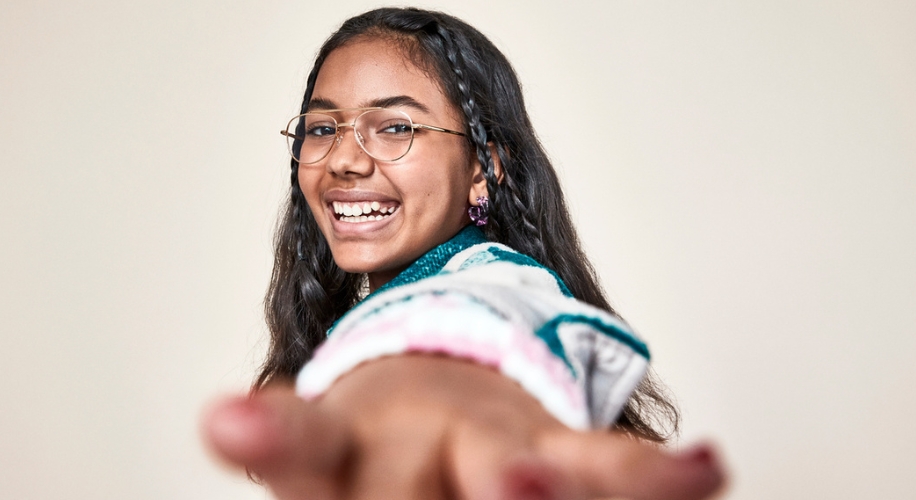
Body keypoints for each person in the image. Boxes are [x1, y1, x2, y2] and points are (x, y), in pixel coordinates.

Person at [203, 7, 725, 500]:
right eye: (322, 128)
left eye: (395, 128)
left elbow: (480, 311)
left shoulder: (499, 281)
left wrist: (431, 370)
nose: (342, 158)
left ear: (482, 170)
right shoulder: (345, 330)